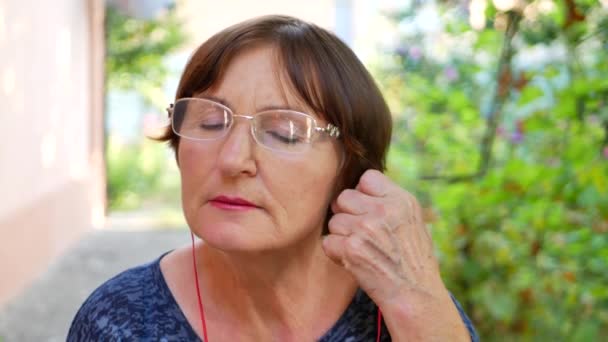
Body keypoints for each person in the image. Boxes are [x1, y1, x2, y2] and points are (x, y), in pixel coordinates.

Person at [68, 15, 479, 341]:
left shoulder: (404, 313)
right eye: (210, 122)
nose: (233, 160)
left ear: (351, 168)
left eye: (284, 132)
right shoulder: (119, 320)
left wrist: (415, 302)